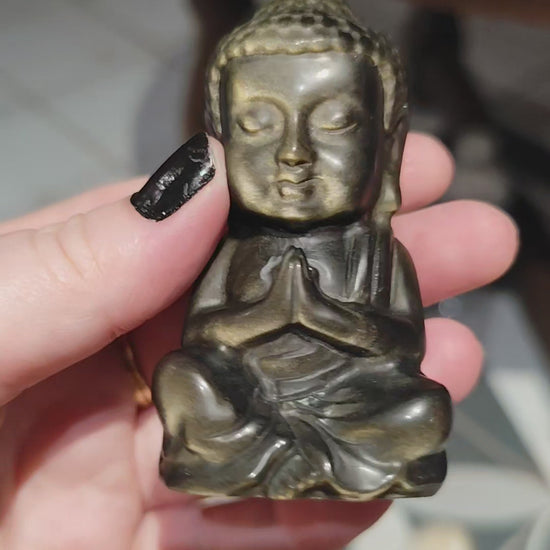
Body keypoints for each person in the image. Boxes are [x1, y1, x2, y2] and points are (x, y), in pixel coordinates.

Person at [0, 130, 517, 549]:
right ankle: (285, 453)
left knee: (424, 409)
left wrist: (321, 317)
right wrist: (272, 316)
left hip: (343, 398)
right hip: (248, 396)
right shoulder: (235, 245)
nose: (295, 160)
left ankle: (285, 453)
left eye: (335, 132)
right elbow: (205, 335)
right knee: (181, 375)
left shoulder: (381, 252)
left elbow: (401, 347)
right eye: (260, 130)